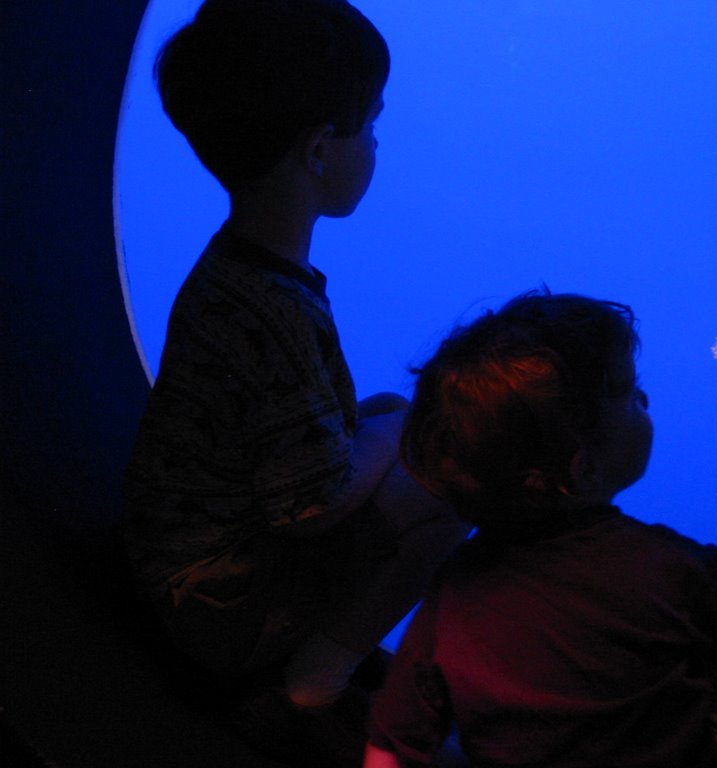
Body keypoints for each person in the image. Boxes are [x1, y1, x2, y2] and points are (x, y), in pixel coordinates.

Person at [122, 1, 466, 765]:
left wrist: (390, 423)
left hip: (177, 563)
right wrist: (403, 430)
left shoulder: (239, 272)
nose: (376, 144)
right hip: (212, 606)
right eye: (370, 125)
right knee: (449, 484)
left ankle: (319, 649)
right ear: (318, 149)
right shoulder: (271, 309)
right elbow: (312, 507)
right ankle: (309, 686)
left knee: (387, 413)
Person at [365, 291, 717, 767]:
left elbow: (389, 742)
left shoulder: (453, 594)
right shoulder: (679, 571)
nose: (644, 398)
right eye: (627, 393)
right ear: (581, 468)